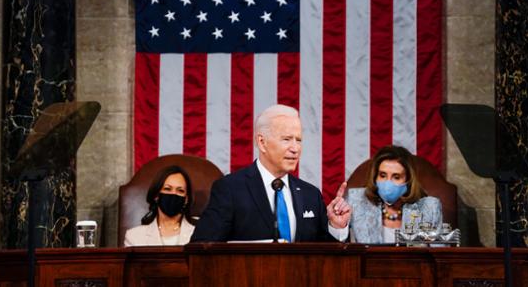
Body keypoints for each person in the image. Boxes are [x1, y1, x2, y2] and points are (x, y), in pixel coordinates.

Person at [191, 104, 351, 242]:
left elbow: (326, 254)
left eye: (299, 140)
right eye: (287, 139)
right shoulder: (230, 189)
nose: (295, 148)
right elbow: (202, 248)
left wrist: (336, 227)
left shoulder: (311, 195)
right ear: (262, 142)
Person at [346, 145, 442, 243]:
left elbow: (438, 253)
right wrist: (337, 227)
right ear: (375, 177)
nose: (388, 183)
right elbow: (341, 241)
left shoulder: (429, 208)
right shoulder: (357, 200)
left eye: (396, 177)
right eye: (382, 175)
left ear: (409, 180)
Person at [124, 165, 197, 246]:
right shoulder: (134, 237)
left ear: (186, 199)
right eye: (167, 189)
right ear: (156, 196)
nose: (173, 194)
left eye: (180, 190)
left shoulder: (200, 231)